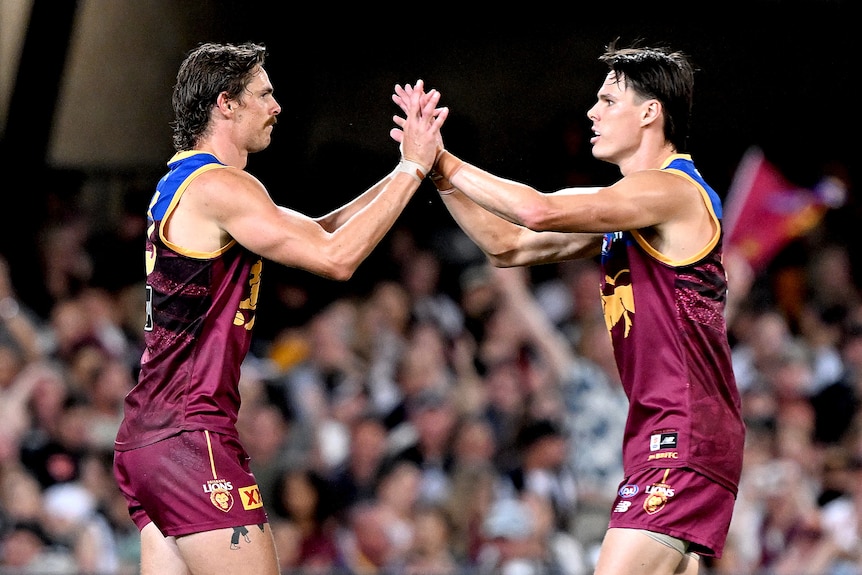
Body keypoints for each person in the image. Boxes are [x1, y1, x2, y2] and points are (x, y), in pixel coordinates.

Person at [391, 41, 745, 575]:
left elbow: (536, 210)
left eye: (607, 100)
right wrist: (435, 173)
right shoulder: (631, 211)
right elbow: (506, 245)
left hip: (684, 432)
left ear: (650, 113)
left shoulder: (673, 192)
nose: (591, 112)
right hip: (661, 430)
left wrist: (443, 159)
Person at [112, 41, 447, 575]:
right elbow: (336, 258)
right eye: (264, 95)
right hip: (190, 434)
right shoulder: (223, 185)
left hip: (148, 439)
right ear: (226, 103)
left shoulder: (182, 183)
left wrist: (409, 170)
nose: (277, 107)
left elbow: (319, 230)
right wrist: (412, 169)